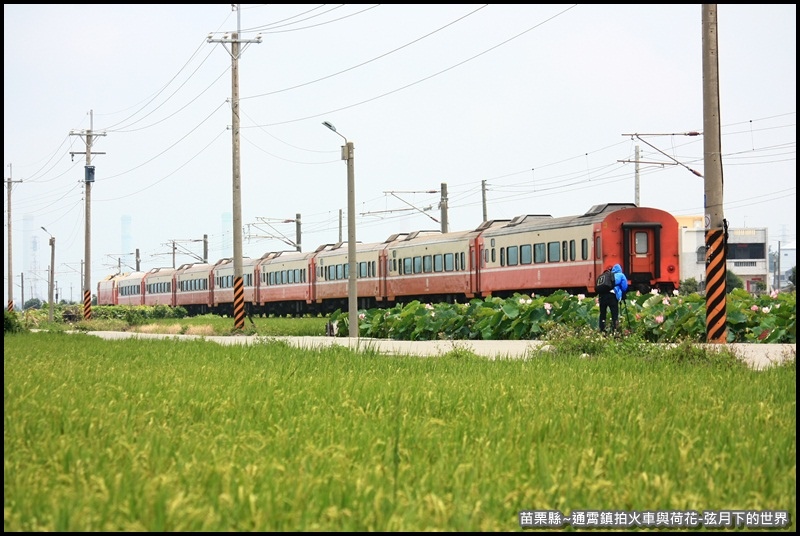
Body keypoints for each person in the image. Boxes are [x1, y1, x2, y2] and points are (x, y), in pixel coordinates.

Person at [598, 263, 628, 334]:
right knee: (614, 314)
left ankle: (602, 330)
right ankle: (615, 330)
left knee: (602, 314)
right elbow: (624, 287)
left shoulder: (607, 276)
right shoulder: (621, 275)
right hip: (612, 296)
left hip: (602, 296)